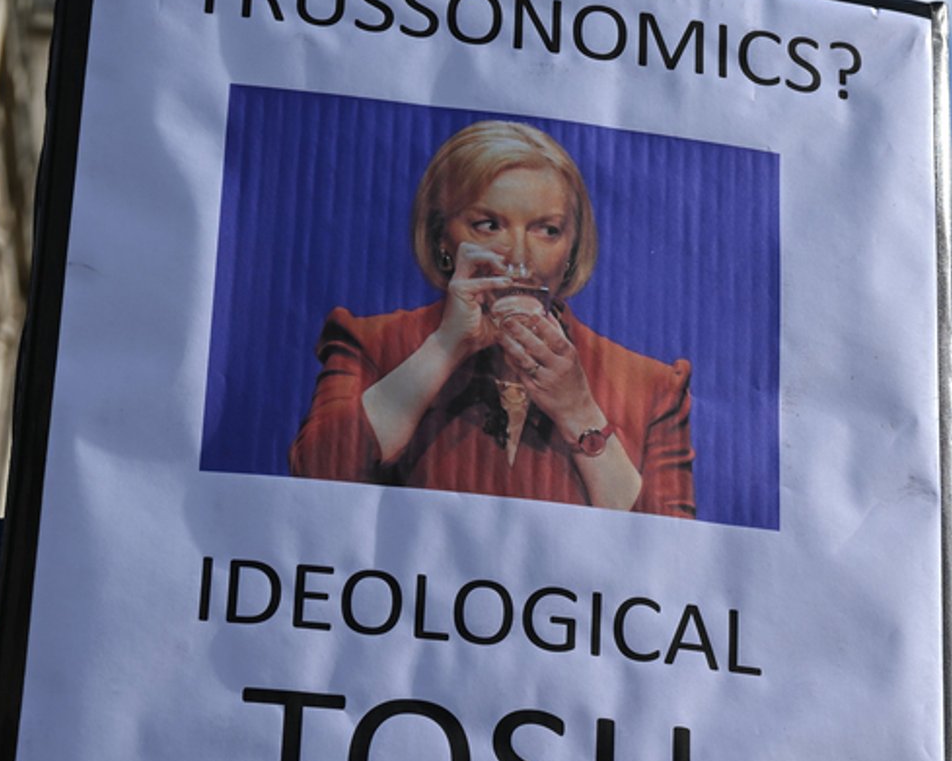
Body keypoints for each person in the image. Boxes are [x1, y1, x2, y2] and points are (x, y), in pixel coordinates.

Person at [289, 120, 693, 517]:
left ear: (573, 247)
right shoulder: (372, 343)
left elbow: (666, 558)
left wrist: (579, 412)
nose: (518, 256)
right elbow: (315, 478)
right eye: (489, 225)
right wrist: (446, 347)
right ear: (440, 238)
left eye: (547, 230)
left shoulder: (652, 386)